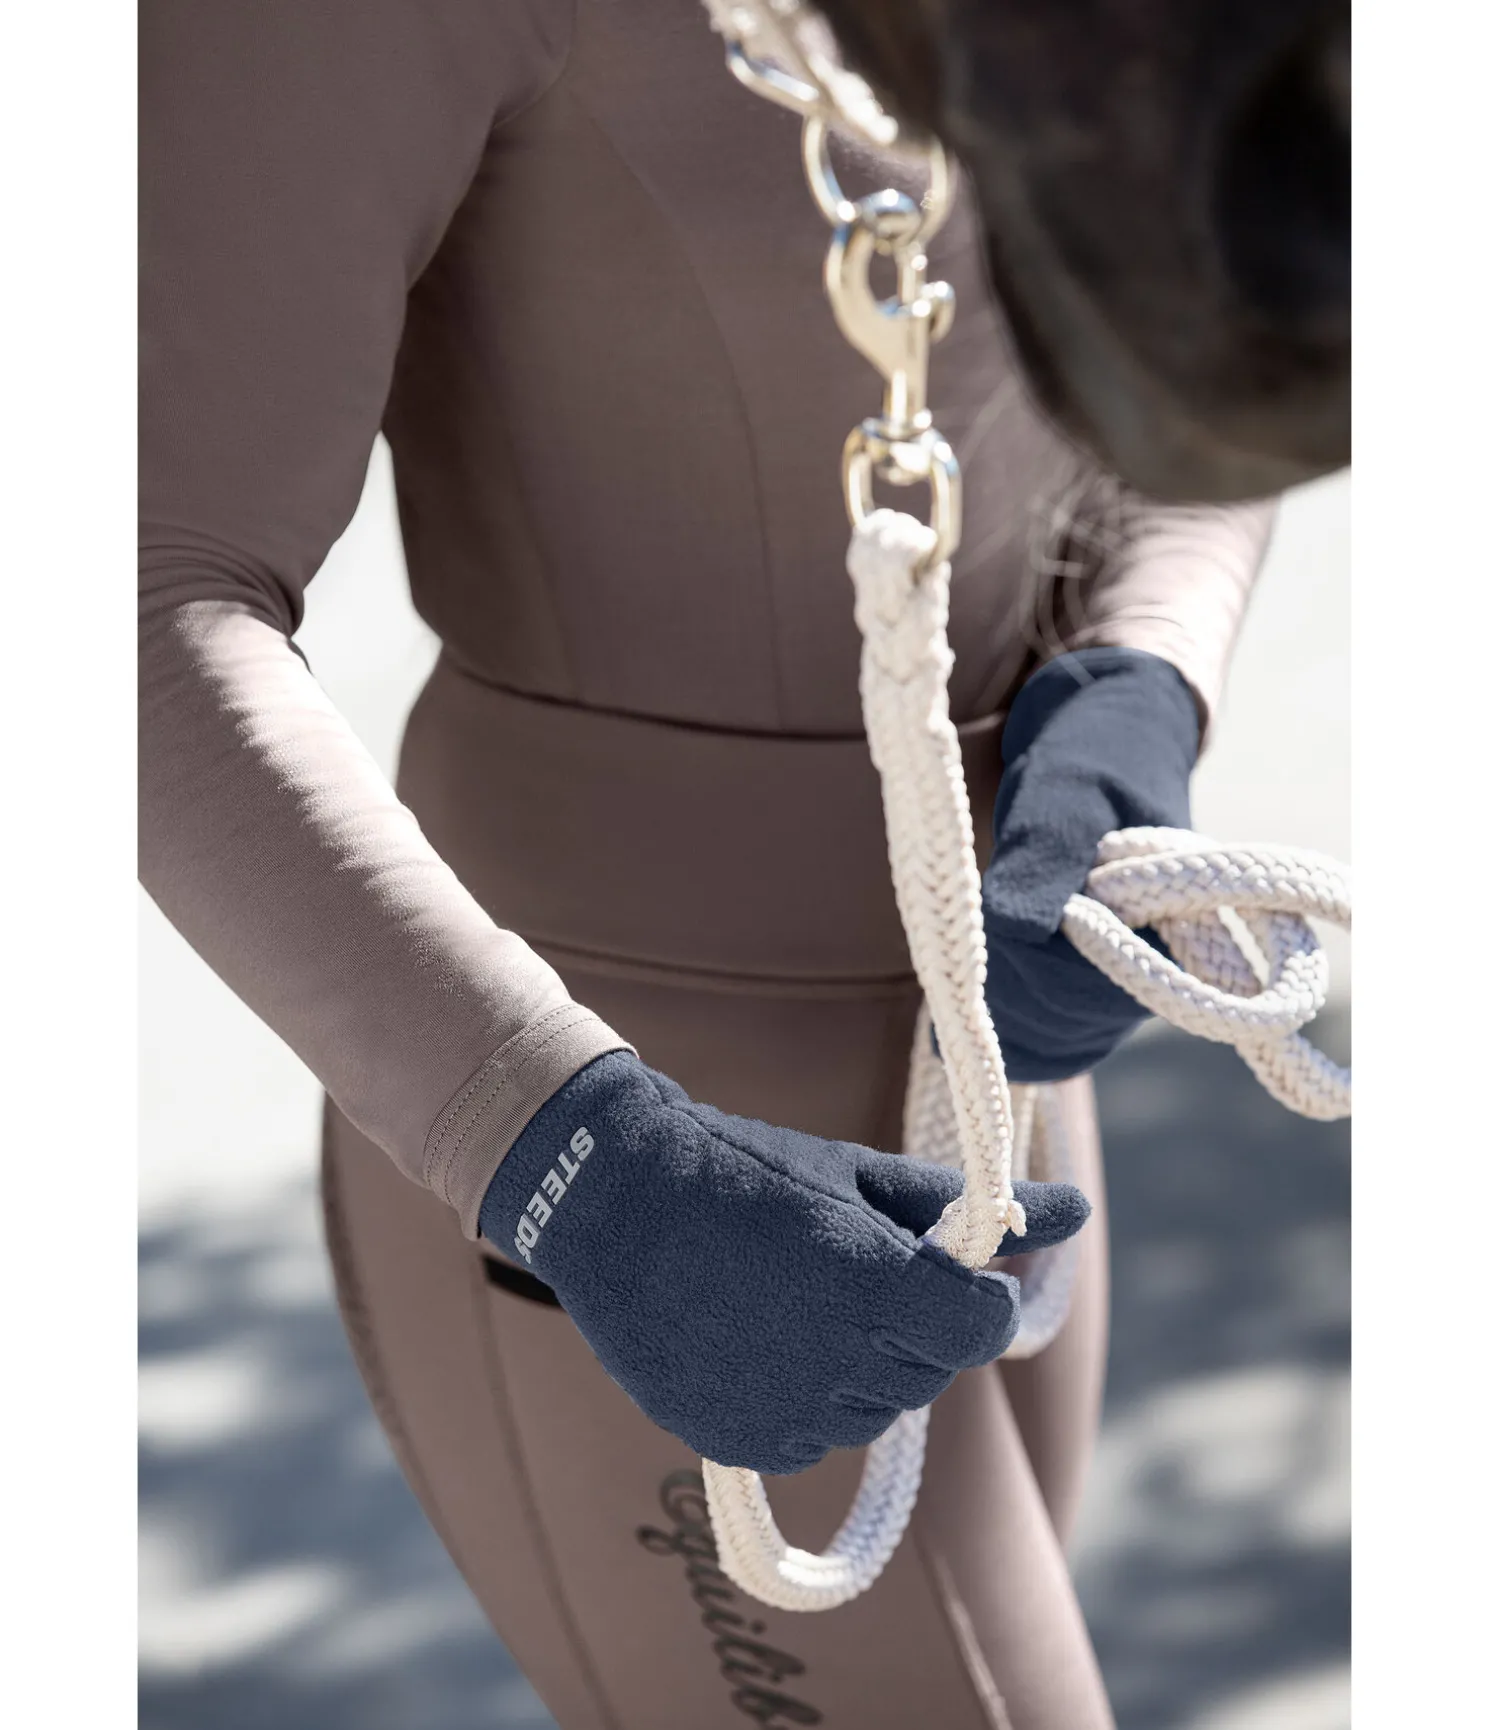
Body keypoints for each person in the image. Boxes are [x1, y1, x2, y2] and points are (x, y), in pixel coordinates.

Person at [139, 3, 1274, 1725]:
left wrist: (1135, 678)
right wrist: (571, 1161)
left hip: (996, 1026)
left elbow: (1223, 314)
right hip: (632, 1107)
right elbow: (134, 591)